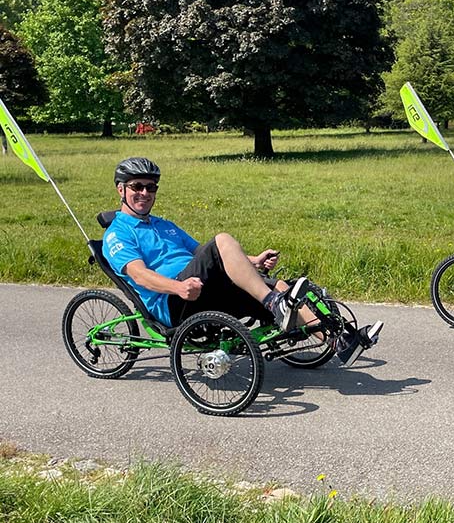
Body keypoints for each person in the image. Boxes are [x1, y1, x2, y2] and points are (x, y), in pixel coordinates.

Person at [102, 157, 381, 366]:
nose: (144, 193)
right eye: (137, 186)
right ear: (120, 190)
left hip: (203, 288)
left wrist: (253, 261)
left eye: (150, 187)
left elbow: (207, 253)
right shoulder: (118, 234)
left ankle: (341, 342)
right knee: (223, 240)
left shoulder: (165, 225)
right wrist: (178, 288)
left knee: (282, 287)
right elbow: (139, 275)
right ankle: (273, 303)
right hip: (175, 299)